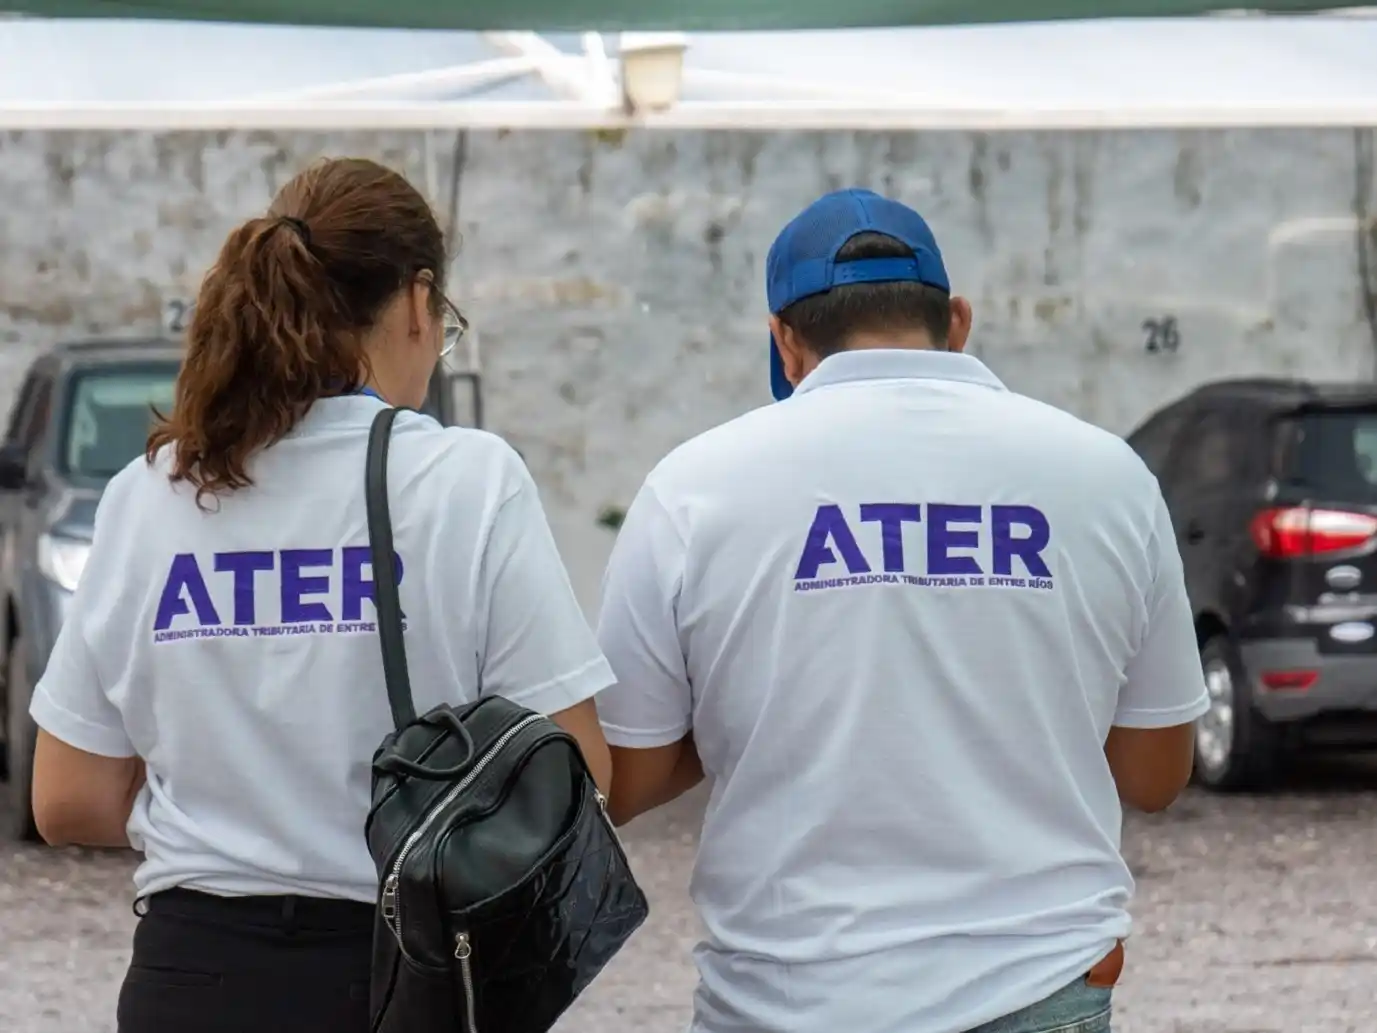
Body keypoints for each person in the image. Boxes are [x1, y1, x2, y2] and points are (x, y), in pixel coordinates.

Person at [594, 188, 1209, 1033]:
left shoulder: (693, 487)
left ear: (784, 340)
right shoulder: (1107, 476)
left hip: (782, 1001)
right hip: (1036, 987)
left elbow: (624, 776)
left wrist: (752, 704)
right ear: (956, 321)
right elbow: (1154, 775)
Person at [27, 158, 615, 1033]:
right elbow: (579, 769)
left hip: (192, 977)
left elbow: (67, 795)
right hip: (398, 974)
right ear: (417, 301)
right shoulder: (466, 479)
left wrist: (225, 801)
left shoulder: (150, 491)